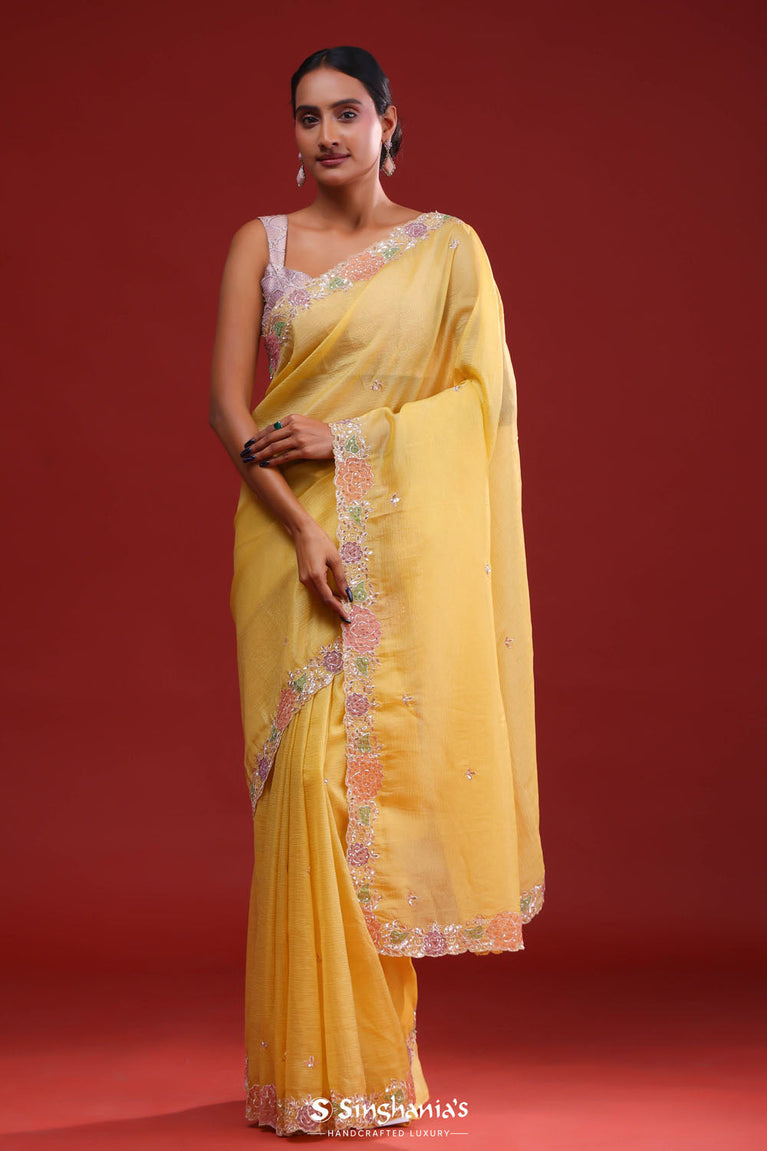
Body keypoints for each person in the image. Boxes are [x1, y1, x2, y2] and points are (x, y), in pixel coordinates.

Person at [208, 45, 545, 1138]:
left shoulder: (447, 249)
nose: (326, 134)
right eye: (307, 116)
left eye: (345, 112)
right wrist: (302, 525)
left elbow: (481, 400)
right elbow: (227, 409)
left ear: (388, 121)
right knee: (306, 786)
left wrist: (348, 438)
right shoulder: (261, 244)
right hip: (286, 540)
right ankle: (307, 1069)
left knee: (368, 791)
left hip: (395, 541)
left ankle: (366, 1068)